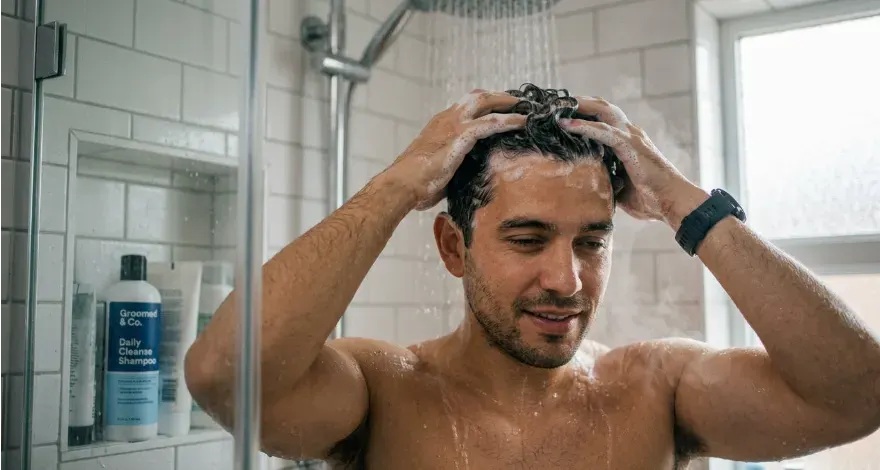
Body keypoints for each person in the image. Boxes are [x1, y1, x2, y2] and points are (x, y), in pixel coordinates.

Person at [185, 84, 880, 469]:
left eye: (591, 243)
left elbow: (856, 394)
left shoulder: (658, 391)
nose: (568, 281)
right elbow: (224, 376)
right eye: (528, 239)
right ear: (454, 249)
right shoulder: (382, 392)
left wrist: (683, 203)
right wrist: (395, 186)